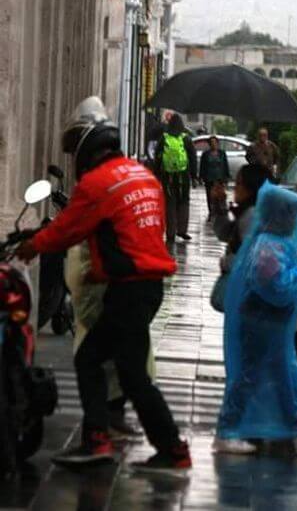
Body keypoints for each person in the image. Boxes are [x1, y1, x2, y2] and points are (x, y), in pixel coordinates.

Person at [17, 96, 190, 473]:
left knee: (92, 358)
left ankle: (111, 441)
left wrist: (32, 246)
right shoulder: (141, 175)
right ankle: (164, 447)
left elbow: (68, 229)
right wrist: (101, 269)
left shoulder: (99, 182)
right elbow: (130, 234)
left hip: (129, 290)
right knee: (128, 372)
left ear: (86, 146)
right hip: (146, 286)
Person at [215, 181, 297, 455]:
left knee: (284, 376)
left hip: (266, 324)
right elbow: (277, 287)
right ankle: (230, 430)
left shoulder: (268, 243)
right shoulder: (269, 247)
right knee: (255, 377)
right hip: (263, 324)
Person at [65, 241, 157, 441]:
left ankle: (106, 425)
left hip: (114, 277)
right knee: (107, 362)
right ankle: (106, 424)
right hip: (109, 276)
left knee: (111, 363)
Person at [213, 165, 272, 281]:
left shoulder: (252, 215)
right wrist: (220, 203)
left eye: (239, 183)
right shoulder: (248, 211)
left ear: (251, 188)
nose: (235, 187)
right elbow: (225, 233)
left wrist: (227, 262)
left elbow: (252, 259)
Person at [155, 113, 198, 244]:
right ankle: (182, 229)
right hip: (183, 176)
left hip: (167, 177)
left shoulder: (164, 137)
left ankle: (170, 232)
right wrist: (194, 176)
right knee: (184, 201)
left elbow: (158, 157)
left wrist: (156, 174)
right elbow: (193, 158)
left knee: (169, 202)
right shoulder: (186, 138)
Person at [199, 135, 231, 214]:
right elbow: (202, 166)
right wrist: (201, 177)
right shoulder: (205, 154)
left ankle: (220, 210)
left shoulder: (222, 153)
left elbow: (225, 165)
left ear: (217, 143)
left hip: (219, 178)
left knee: (220, 195)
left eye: (215, 142)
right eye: (211, 143)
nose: (213, 144)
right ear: (209, 144)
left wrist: (226, 177)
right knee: (210, 196)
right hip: (209, 178)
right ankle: (211, 211)